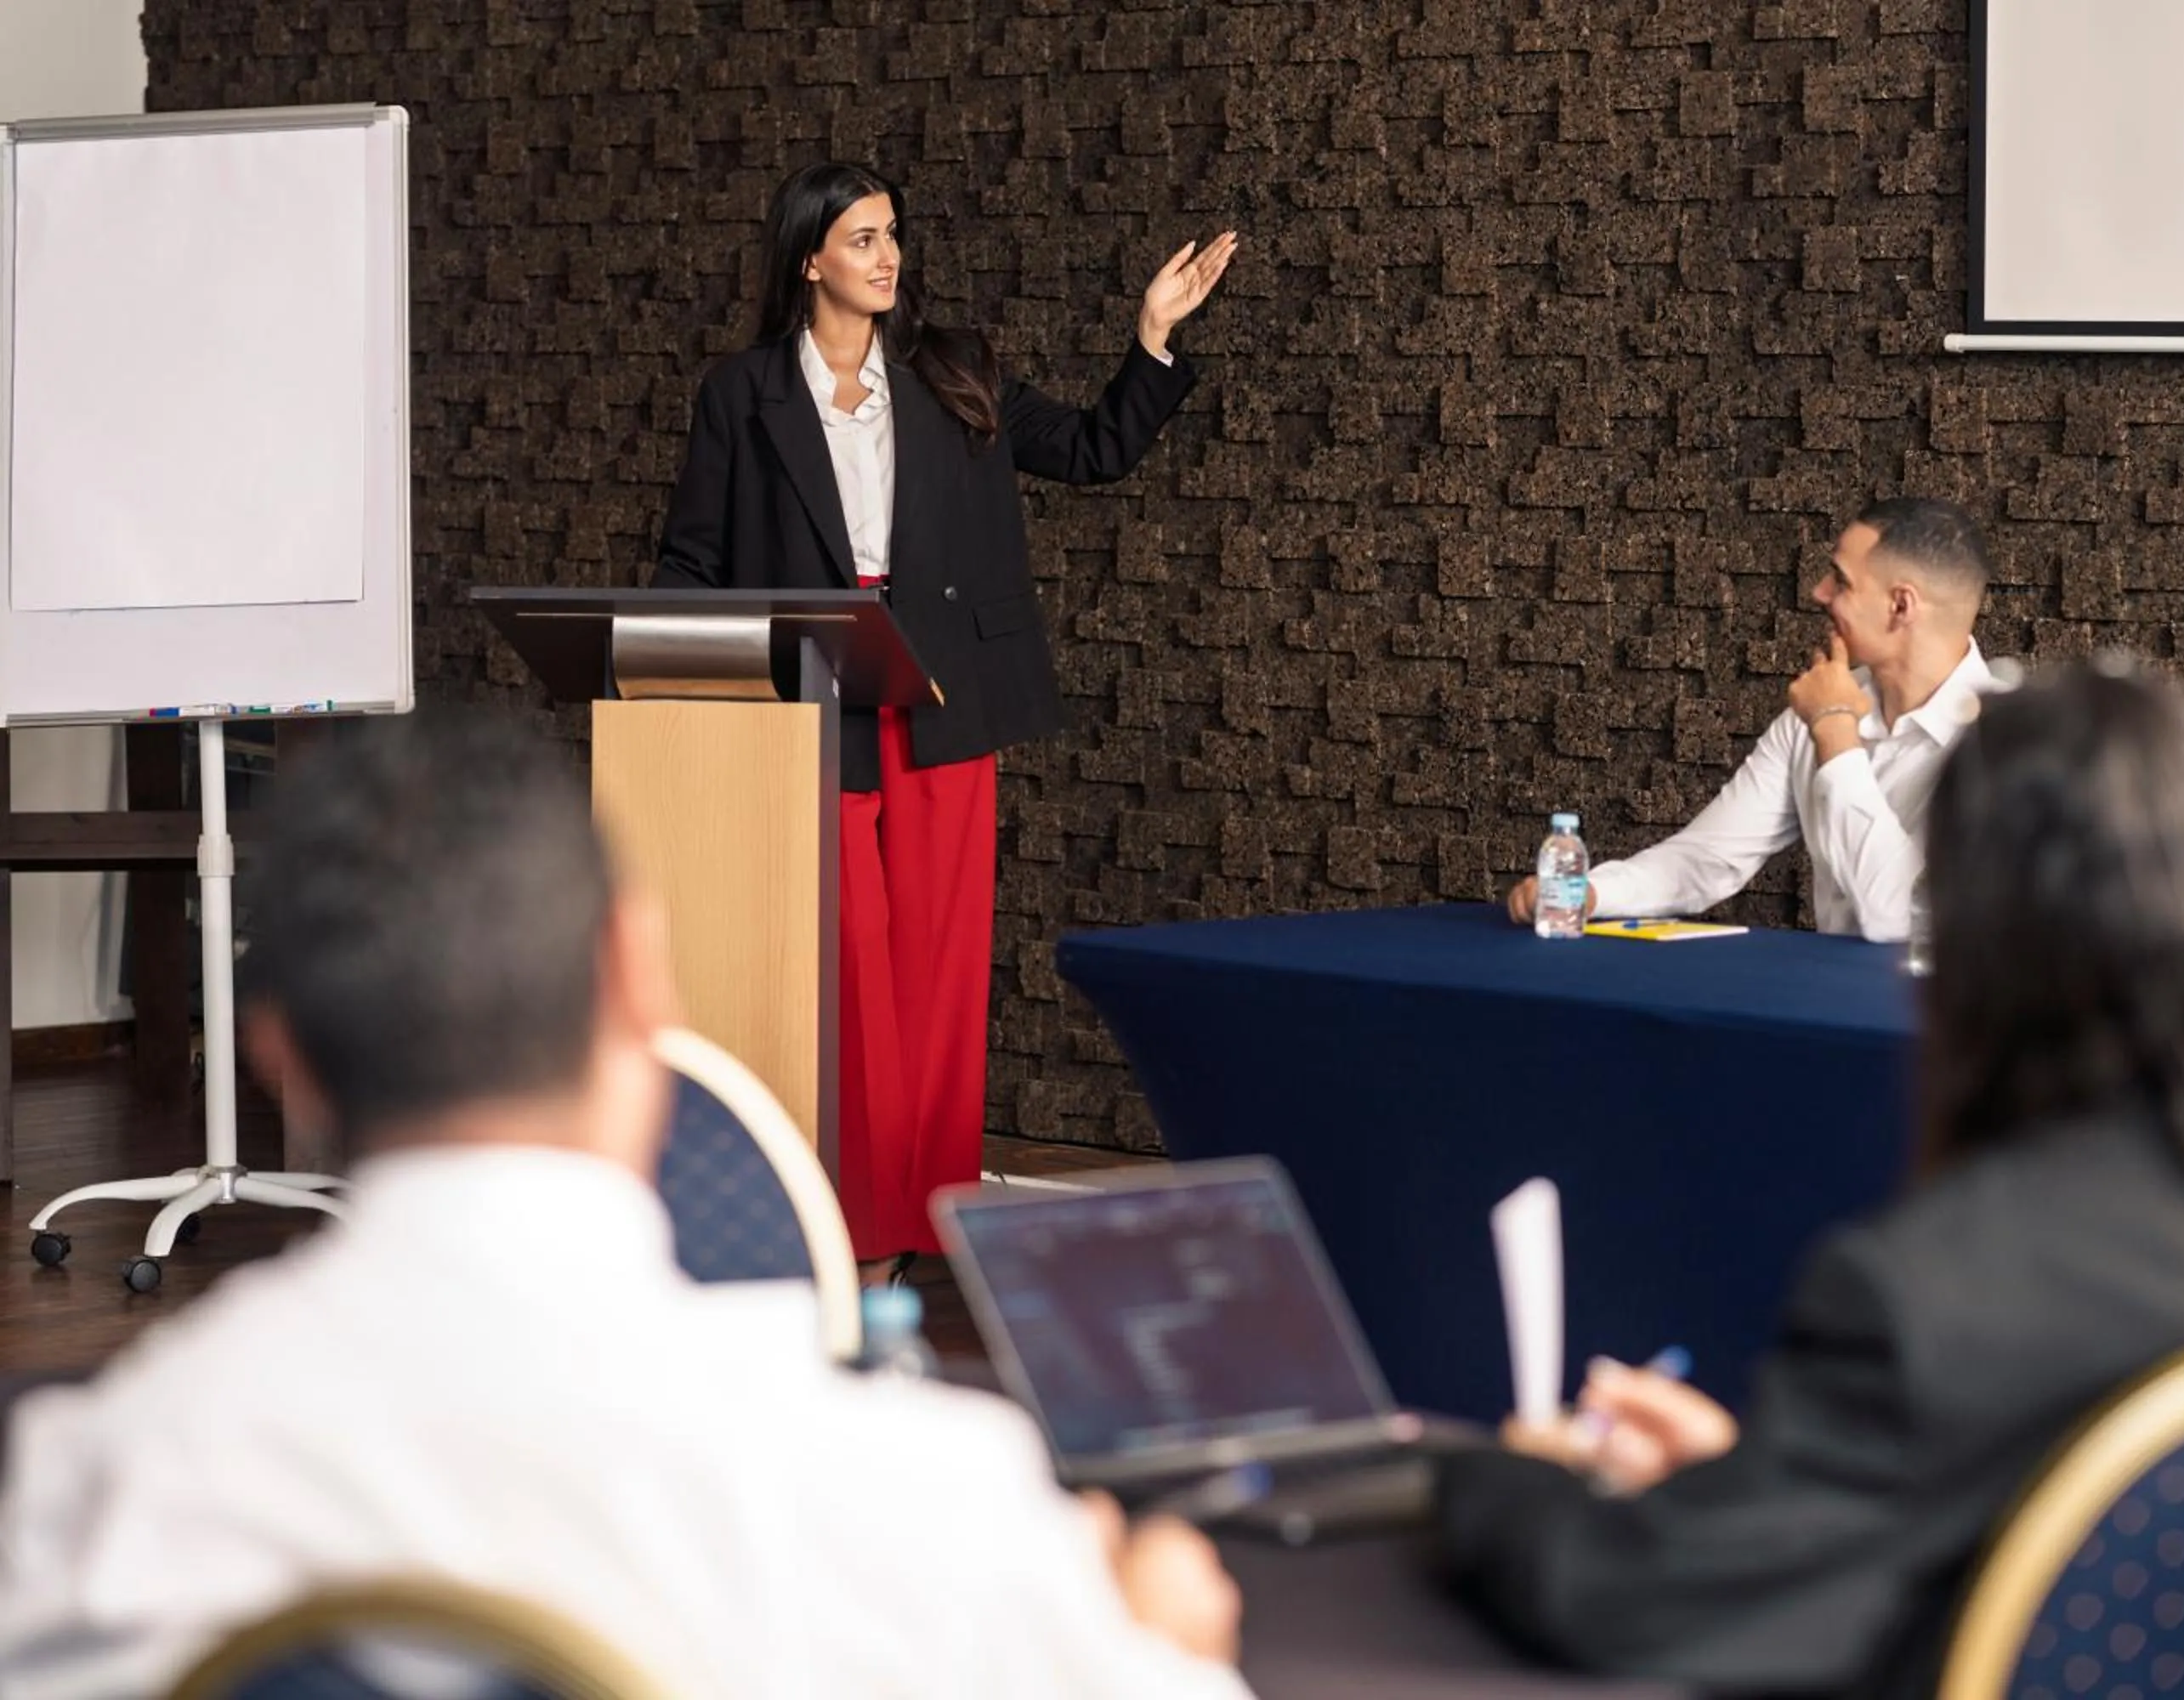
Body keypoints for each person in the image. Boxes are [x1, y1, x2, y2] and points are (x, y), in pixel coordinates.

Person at [0, 716, 1249, 1700]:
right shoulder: (926, 1502)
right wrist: (1163, 1647)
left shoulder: (91, 1500)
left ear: (279, 1056)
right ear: (639, 975)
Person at [1439, 661, 2184, 1698]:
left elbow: (1625, 1597)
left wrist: (1503, 1476)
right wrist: (1749, 1481)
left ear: (1978, 943)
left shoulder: (1927, 1291)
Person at [655, 163, 1238, 1280]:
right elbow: (692, 556)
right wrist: (679, 675)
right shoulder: (742, 393)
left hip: (941, 703)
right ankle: (858, 1235)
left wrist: (1153, 337)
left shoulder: (949, 369)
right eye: (862, 238)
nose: (887, 257)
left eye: (892, 237)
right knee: (850, 979)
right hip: (813, 708)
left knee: (936, 977)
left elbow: (1091, 451)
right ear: (808, 259)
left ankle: (925, 1227)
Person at [1505, 497, 2000, 944]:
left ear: (1900, 605)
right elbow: (1707, 859)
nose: (1819, 592)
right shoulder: (1811, 713)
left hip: (1957, 1032)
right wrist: (1590, 893)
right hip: (1838, 1014)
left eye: (1841, 581)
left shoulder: (2009, 740)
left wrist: (1834, 730)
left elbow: (1897, 919)